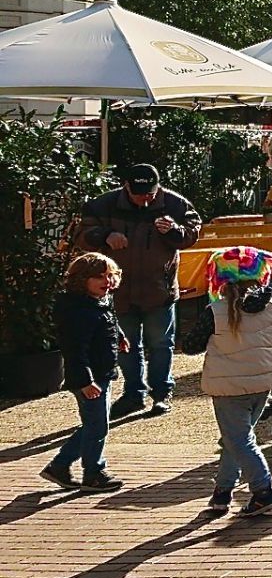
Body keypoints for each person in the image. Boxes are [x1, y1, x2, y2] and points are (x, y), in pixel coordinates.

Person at [81, 164, 201, 419]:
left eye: (150, 193)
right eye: (139, 193)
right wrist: (105, 235)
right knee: (127, 344)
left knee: (161, 344)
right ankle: (134, 394)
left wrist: (174, 231)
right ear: (126, 186)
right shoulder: (103, 205)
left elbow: (193, 233)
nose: (145, 198)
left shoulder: (175, 205)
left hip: (159, 288)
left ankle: (162, 394)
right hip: (119, 290)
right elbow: (83, 233)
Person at [201, 245, 272, 517]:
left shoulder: (215, 310)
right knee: (237, 438)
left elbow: (191, 344)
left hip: (228, 383)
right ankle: (223, 492)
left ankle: (264, 490)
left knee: (239, 439)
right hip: (263, 380)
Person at [44, 253, 125, 493]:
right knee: (97, 426)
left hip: (102, 372)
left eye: (110, 275)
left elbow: (108, 320)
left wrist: (119, 336)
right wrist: (85, 381)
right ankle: (93, 472)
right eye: (100, 277)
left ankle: (60, 465)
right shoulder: (77, 311)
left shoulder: (100, 301)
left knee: (95, 424)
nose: (107, 281)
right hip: (90, 377)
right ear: (82, 279)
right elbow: (75, 350)